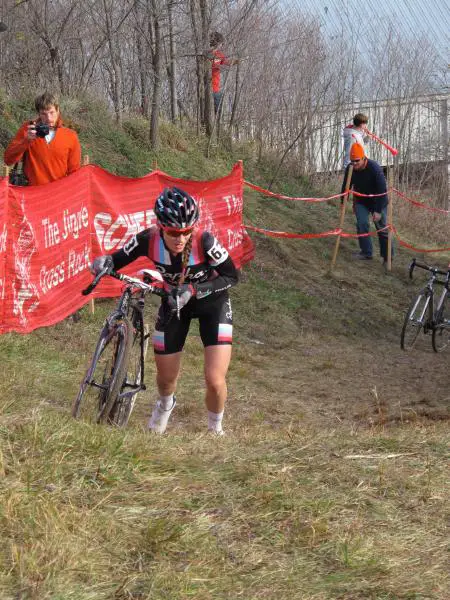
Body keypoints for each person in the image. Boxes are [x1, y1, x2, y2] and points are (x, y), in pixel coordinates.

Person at [90, 187, 239, 435]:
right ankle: (165, 405)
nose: (180, 238)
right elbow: (117, 259)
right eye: (173, 232)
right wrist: (105, 262)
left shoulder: (205, 241)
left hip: (214, 305)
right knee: (166, 378)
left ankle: (215, 429)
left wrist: (193, 289)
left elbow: (232, 276)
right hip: (173, 305)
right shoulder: (148, 239)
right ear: (160, 227)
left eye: (185, 231)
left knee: (214, 380)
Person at [4, 91, 81, 186]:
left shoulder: (70, 136)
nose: (49, 118)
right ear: (39, 114)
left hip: (59, 194)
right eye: (44, 114)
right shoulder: (28, 129)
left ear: (58, 110)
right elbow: (8, 160)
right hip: (33, 193)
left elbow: (74, 173)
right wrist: (26, 141)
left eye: (51, 112)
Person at [341, 142, 392, 264]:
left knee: (382, 229)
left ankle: (387, 257)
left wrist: (378, 211)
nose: (354, 164)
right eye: (352, 161)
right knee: (362, 224)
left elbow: (382, 191)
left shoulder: (375, 168)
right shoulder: (351, 168)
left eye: (357, 161)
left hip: (378, 201)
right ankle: (366, 252)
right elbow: (345, 186)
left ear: (364, 158)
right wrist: (343, 201)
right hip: (361, 201)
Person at [209, 31, 238, 116]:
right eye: (221, 43)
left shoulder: (219, 55)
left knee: (217, 113)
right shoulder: (207, 54)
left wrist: (237, 61)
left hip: (216, 89)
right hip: (208, 89)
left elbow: (228, 63)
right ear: (217, 43)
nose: (222, 45)